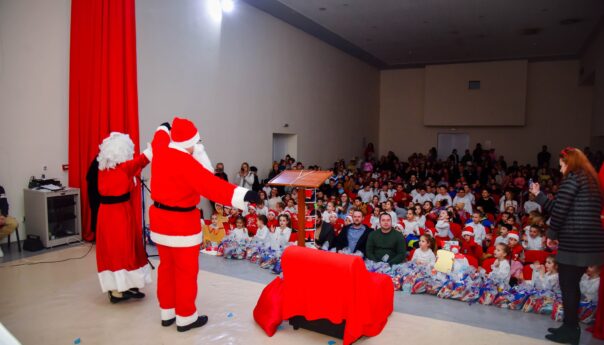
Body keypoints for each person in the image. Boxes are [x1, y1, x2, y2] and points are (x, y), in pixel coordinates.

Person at [149, 117, 257, 332]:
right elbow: (212, 186)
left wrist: (163, 127)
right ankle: (186, 317)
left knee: (166, 268)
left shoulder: (160, 150)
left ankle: (167, 312)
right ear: (188, 141)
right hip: (182, 225)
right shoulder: (187, 163)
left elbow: (158, 137)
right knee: (186, 272)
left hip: (160, 223)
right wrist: (244, 195)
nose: (198, 146)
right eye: (196, 141)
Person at [530, 147, 604, 344]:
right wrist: (539, 195)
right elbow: (561, 207)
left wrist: (551, 235)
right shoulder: (590, 180)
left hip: (575, 242)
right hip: (590, 242)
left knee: (568, 286)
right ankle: (569, 325)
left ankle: (571, 330)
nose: (561, 170)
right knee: (571, 285)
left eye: (562, 165)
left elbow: (560, 211)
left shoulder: (572, 179)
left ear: (569, 163)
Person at [93, 132, 152, 303]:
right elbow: (144, 159)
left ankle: (121, 287)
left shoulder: (102, 169)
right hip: (120, 213)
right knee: (125, 248)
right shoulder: (124, 168)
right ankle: (121, 289)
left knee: (113, 250)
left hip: (105, 213)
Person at [0, 185, 18, 258]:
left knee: (14, 223)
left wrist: (3, 216)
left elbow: (5, 204)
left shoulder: (0, 189)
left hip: (1, 214)